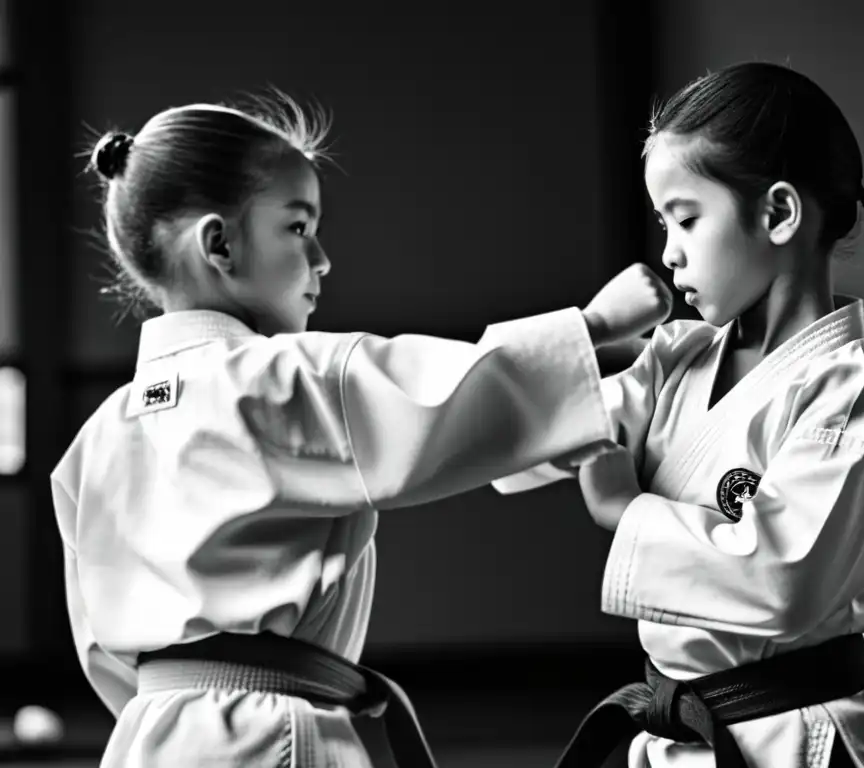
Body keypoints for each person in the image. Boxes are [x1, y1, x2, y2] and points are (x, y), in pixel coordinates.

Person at [50, 96, 674, 768]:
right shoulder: (281, 377)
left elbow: (99, 651)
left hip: (145, 738)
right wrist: (594, 324)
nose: (321, 259)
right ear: (220, 244)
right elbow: (445, 402)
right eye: (297, 227)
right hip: (270, 737)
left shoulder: (95, 437)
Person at [494, 62, 864, 768]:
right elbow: (515, 439)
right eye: (663, 221)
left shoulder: (847, 394)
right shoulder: (677, 359)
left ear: (779, 213)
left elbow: (781, 579)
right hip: (679, 737)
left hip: (800, 738)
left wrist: (623, 512)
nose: (668, 253)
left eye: (687, 218)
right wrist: (590, 328)